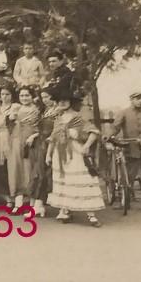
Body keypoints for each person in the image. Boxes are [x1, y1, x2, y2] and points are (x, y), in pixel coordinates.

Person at [46, 95, 105, 227]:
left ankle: (91, 215)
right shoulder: (58, 119)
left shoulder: (79, 117)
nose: (61, 102)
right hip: (59, 154)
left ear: (71, 102)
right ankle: (65, 210)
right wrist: (48, 155)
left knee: (82, 179)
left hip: (75, 153)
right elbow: (53, 138)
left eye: (65, 100)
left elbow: (94, 132)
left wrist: (86, 146)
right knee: (64, 180)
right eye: (59, 100)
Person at [111, 92, 141, 212]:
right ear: (131, 99)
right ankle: (125, 200)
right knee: (129, 177)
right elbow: (116, 127)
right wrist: (110, 136)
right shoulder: (124, 113)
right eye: (137, 98)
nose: (140, 101)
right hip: (131, 148)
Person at [25, 87, 64, 217]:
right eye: (43, 97)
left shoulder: (60, 111)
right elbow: (40, 128)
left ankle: (63, 208)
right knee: (39, 173)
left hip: (56, 143)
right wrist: (34, 136)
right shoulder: (45, 111)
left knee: (54, 174)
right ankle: (38, 206)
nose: (46, 100)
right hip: (42, 144)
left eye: (48, 96)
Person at [9, 86, 40, 213]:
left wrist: (34, 136)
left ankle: (32, 204)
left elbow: (41, 128)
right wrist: (12, 115)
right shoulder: (16, 108)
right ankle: (18, 203)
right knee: (17, 170)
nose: (24, 98)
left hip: (31, 141)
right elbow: (10, 122)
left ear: (32, 96)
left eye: (27, 95)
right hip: (17, 141)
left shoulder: (37, 110)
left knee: (30, 170)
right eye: (22, 95)